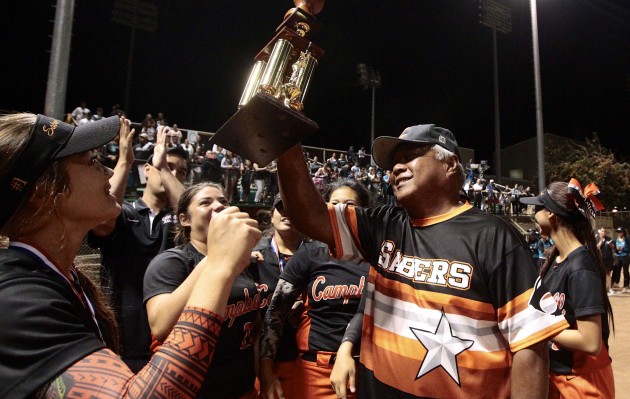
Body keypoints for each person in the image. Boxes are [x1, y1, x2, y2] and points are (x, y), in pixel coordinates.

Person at [276, 123, 568, 398]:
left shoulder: (494, 236)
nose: (396, 168)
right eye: (393, 164)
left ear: (451, 164)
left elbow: (530, 346)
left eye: (411, 156)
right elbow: (310, 217)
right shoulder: (384, 224)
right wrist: (284, 134)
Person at [0, 112, 261, 398]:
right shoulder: (17, 296)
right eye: (91, 161)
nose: (109, 172)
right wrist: (218, 264)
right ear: (44, 189)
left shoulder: (64, 275)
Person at [144, 183, 261, 398]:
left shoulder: (245, 262)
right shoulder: (171, 262)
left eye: (223, 201)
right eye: (205, 202)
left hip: (243, 389)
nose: (218, 206)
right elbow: (160, 326)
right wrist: (216, 256)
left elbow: (253, 328)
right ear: (184, 220)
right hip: (197, 391)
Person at [88, 126, 189, 372]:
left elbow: (196, 218)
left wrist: (163, 167)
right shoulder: (125, 213)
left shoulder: (179, 220)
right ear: (146, 170)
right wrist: (124, 161)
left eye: (181, 172)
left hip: (170, 342)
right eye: (169, 166)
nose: (174, 175)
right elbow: (102, 218)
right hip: (122, 341)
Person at [260, 180, 373, 399]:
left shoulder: (376, 254)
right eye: (335, 203)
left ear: (363, 211)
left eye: (349, 204)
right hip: (314, 370)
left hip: (364, 369)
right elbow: (276, 312)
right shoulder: (311, 253)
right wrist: (265, 369)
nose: (341, 209)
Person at [520, 180, 615, 398]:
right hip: (560, 376)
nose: (534, 215)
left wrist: (539, 331)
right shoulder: (556, 259)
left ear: (551, 214)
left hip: (582, 382)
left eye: (538, 208)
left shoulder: (581, 266)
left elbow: (590, 341)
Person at [253, 194, 307, 399]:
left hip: (304, 360)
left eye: (295, 208)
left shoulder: (319, 256)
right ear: (271, 215)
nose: (287, 213)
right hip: (262, 361)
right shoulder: (252, 256)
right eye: (281, 208)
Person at [597, 227, 615, 295]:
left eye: (604, 231)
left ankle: (610, 289)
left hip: (608, 259)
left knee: (608, 274)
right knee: (601, 274)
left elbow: (613, 247)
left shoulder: (609, 239)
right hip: (600, 259)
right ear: (600, 232)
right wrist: (601, 241)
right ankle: (602, 289)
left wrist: (611, 245)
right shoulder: (597, 238)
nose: (603, 232)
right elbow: (596, 247)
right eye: (602, 231)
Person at [612, 226, 630, 292]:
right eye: (618, 232)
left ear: (623, 232)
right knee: (617, 269)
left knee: (625, 271)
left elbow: (628, 248)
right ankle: (616, 282)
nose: (619, 233)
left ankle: (626, 285)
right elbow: (614, 248)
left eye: (621, 232)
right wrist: (616, 249)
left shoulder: (627, 239)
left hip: (625, 256)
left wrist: (622, 248)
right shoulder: (616, 239)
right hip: (618, 256)